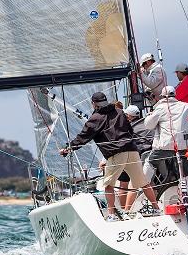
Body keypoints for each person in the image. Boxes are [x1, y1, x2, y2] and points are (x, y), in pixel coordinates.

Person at [59, 92, 160, 220]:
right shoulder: (119, 112)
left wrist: (68, 148)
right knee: (144, 183)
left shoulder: (95, 118)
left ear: (94, 104)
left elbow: (83, 137)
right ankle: (157, 209)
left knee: (108, 185)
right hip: (132, 150)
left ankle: (111, 215)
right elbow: (129, 129)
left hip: (116, 153)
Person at [144, 86, 188, 185]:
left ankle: (143, 186)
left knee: (150, 162)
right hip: (183, 145)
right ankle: (186, 195)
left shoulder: (160, 108)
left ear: (163, 97)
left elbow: (148, 125)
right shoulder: (186, 106)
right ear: (175, 95)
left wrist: (149, 116)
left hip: (164, 146)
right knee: (185, 172)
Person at [122, 104, 155, 209]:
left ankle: (126, 210)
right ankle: (156, 206)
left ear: (129, 117)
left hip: (142, 157)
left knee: (133, 183)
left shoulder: (130, 128)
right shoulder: (149, 122)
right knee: (151, 180)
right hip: (155, 154)